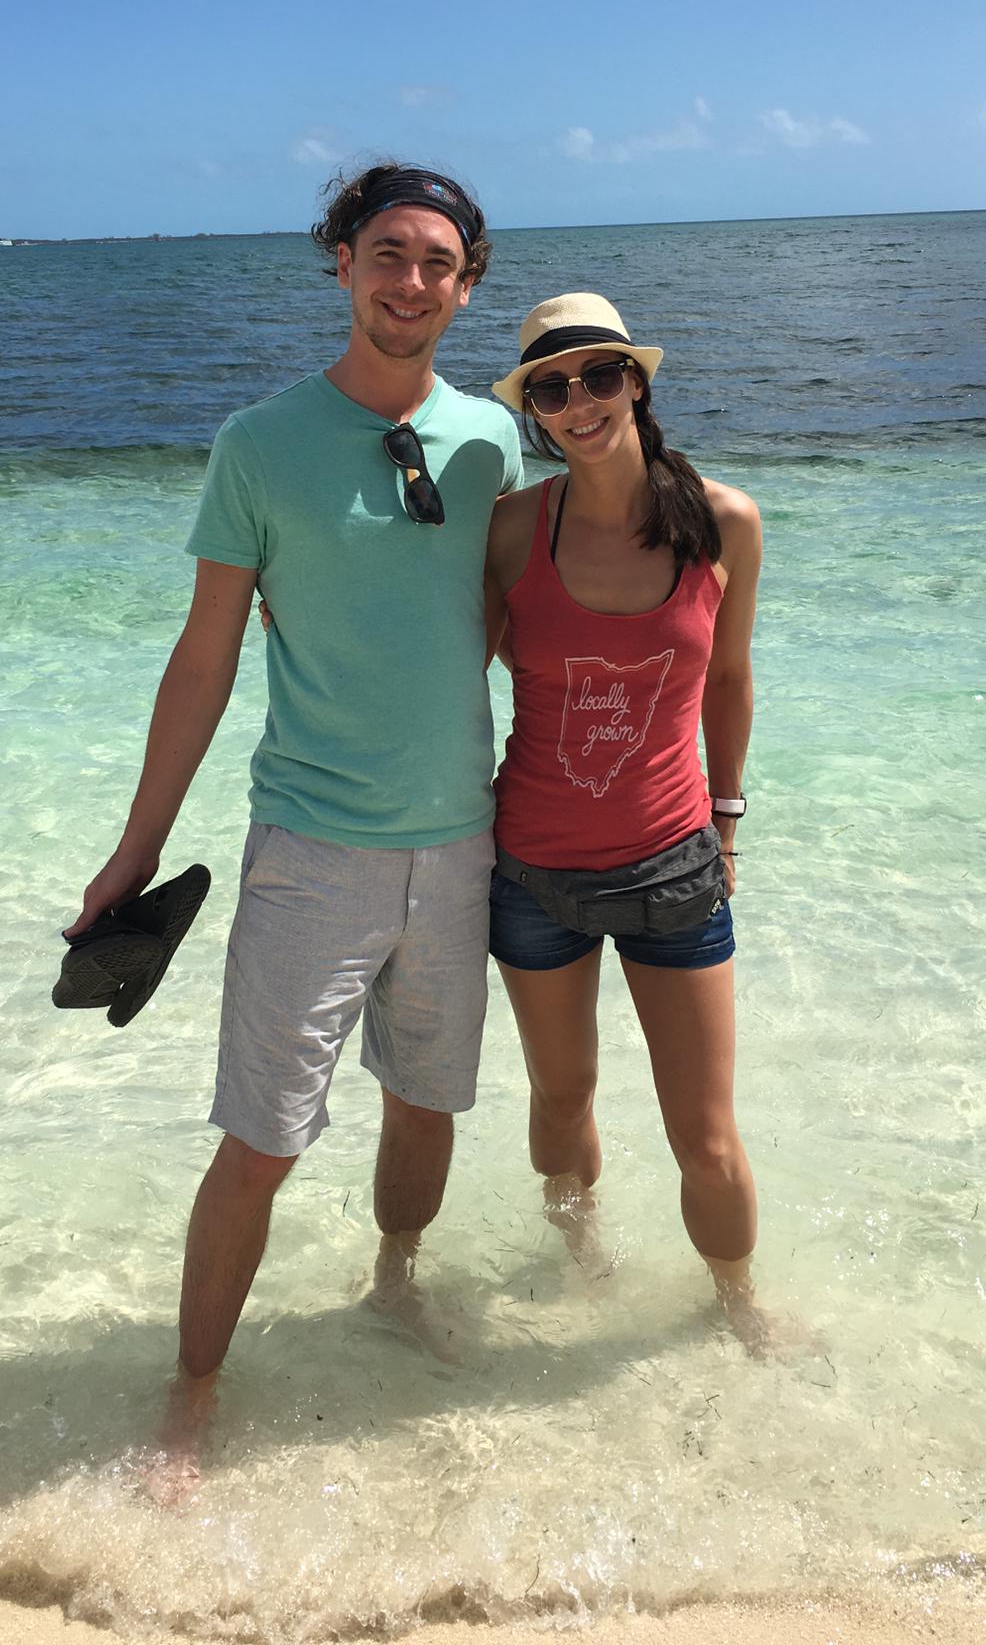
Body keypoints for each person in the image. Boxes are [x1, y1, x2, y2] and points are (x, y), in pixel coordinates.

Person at [66, 164, 522, 1471]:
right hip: (312, 849)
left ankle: (394, 1283)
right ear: (342, 263)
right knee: (261, 1139)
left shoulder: (499, 440)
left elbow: (533, 607)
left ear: (467, 284)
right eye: (389, 253)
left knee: (428, 1104)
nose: (412, 281)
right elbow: (205, 657)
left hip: (462, 842)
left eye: (438, 261)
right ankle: (191, 1398)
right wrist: (137, 847)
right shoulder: (259, 444)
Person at [483, 293, 767, 1347]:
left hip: (673, 865)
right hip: (533, 870)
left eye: (600, 375)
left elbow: (729, 681)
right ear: (535, 413)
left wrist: (728, 819)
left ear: (636, 382)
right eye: (551, 389)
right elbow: (442, 653)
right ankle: (582, 1260)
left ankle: (739, 1307)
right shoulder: (515, 524)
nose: (578, 402)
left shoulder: (724, 520)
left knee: (706, 1134)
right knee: (564, 1098)